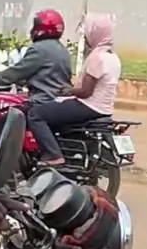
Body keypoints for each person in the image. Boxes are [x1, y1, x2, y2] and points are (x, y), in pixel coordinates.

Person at [27, 13, 122, 166]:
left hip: (89, 106)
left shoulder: (97, 58)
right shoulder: (113, 58)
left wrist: (68, 91)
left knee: (36, 114)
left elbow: (85, 92)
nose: (86, 38)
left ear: (95, 33)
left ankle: (53, 155)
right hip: (104, 109)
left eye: (87, 34)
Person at [0, 10, 72, 135]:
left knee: (2, 120)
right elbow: (45, 75)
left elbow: (13, 74)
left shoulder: (39, 49)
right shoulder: (62, 50)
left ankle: (4, 149)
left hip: (41, 101)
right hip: (56, 102)